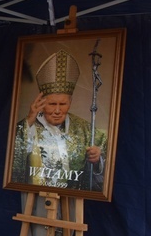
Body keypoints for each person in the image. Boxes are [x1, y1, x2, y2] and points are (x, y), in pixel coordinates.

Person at [12, 50, 107, 192]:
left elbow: (105, 156)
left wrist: (98, 158)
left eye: (62, 104)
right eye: (51, 104)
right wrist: (28, 122)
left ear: (71, 102)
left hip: (73, 197)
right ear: (42, 103)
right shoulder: (28, 127)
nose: (57, 110)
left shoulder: (85, 129)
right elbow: (14, 157)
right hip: (38, 196)